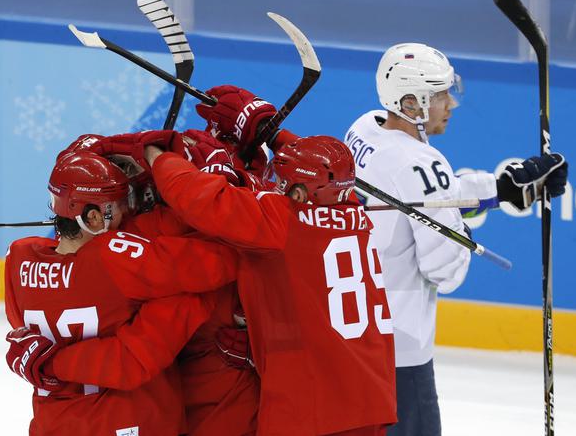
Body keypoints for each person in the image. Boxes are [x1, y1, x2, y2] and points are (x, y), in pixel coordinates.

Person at [342, 42, 569, 436]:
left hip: (349, 338)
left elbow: (426, 197)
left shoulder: (365, 130)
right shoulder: (423, 163)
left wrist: (504, 188)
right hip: (399, 351)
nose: (452, 103)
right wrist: (461, 229)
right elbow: (446, 270)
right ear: (412, 102)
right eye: (441, 93)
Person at [144, 133, 397, 436]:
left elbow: (195, 197)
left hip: (310, 411)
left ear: (301, 194)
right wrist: (273, 132)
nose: (275, 187)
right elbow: (331, 169)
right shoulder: (354, 210)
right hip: (369, 401)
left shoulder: (278, 222)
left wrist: (156, 154)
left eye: (283, 182)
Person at [4, 149, 241, 436]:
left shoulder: (19, 258)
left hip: (53, 425)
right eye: (117, 206)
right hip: (126, 424)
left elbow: (24, 318)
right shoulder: (114, 258)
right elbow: (217, 264)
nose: (126, 213)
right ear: (92, 218)